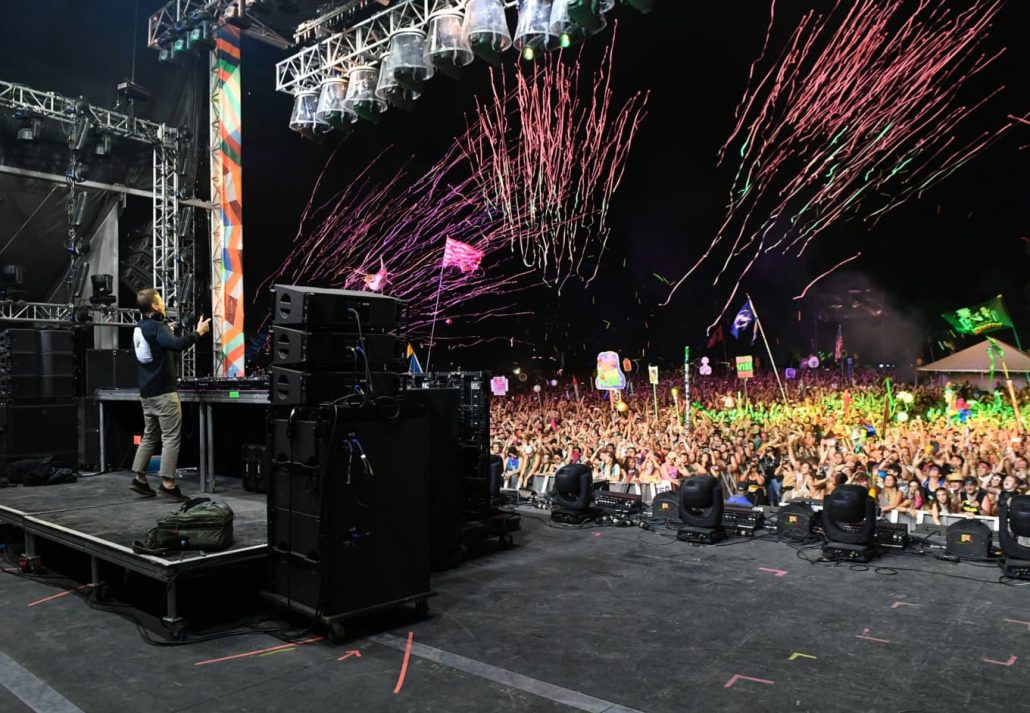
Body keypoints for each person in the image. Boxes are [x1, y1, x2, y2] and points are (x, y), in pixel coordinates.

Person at [129, 288, 210, 501]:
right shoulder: (157, 327)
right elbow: (176, 345)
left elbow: (156, 345)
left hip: (147, 393)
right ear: (155, 306)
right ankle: (168, 483)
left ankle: (139, 478)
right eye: (161, 301)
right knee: (170, 437)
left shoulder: (140, 327)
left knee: (149, 436)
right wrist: (198, 333)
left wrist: (169, 329)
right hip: (164, 393)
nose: (164, 304)